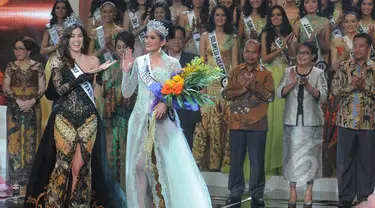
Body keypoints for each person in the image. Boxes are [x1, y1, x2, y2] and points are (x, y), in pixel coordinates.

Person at [24, 23, 126, 207]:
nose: (77, 40)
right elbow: (59, 90)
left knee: (80, 167)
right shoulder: (58, 61)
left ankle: (77, 204)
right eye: (73, 36)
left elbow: (96, 94)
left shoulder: (93, 60)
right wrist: (79, 79)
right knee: (63, 165)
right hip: (64, 118)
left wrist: (101, 79)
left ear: (84, 39)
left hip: (88, 118)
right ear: (67, 39)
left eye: (80, 36)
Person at [122, 19, 212, 208]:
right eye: (146, 37)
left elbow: (180, 94)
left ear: (162, 42)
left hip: (163, 123)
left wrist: (165, 102)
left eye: (152, 37)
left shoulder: (172, 64)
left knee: (164, 168)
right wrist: (125, 72)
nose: (147, 41)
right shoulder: (139, 62)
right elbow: (127, 93)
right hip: (140, 121)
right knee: (138, 167)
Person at [222, 39, 275, 207]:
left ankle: (257, 194)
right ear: (243, 52)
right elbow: (226, 94)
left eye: (254, 52)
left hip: (258, 124)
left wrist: (254, 87)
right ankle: (235, 192)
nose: (250, 55)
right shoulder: (236, 71)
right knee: (236, 159)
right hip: (237, 123)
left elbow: (271, 96)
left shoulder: (266, 74)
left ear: (259, 54)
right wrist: (244, 89)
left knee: (256, 161)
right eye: (247, 51)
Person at [277, 42, 327, 208]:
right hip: (292, 121)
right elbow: (279, 93)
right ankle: (292, 192)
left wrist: (307, 85)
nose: (301, 56)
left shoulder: (319, 73)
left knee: (310, 156)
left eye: (305, 53)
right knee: (292, 157)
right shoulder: (288, 71)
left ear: (313, 56)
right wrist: (292, 83)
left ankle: (308, 192)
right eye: (299, 53)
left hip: (312, 122)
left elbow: (323, 97)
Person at [332, 33, 375, 208]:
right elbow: (334, 91)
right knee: (345, 161)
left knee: (367, 161)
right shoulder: (344, 67)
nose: (357, 49)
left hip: (369, 123)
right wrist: (352, 86)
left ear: (369, 48)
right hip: (346, 121)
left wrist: (364, 86)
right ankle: (345, 197)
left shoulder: (374, 68)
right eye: (355, 46)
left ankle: (364, 197)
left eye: (361, 46)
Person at [194, 5, 239, 172]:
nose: (220, 18)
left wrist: (234, 88)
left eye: (223, 15)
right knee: (209, 126)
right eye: (217, 15)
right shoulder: (206, 37)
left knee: (224, 126)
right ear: (213, 17)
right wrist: (201, 86)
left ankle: (224, 164)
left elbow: (234, 65)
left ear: (227, 18)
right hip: (208, 87)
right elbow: (201, 63)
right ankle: (210, 164)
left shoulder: (233, 38)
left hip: (225, 87)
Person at [2, 37, 45, 195]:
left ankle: (29, 180)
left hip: (33, 108)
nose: (17, 51)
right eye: (15, 48)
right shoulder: (11, 66)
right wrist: (18, 100)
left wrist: (32, 101)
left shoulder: (38, 66)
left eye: (20, 48)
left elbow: (42, 88)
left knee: (31, 141)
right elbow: (6, 86)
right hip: (15, 107)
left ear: (28, 50)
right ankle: (14, 181)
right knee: (14, 142)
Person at [260, 4, 295, 177]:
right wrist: (281, 48)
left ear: (283, 17)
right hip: (272, 76)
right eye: (273, 15)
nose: (276, 17)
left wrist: (290, 44)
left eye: (279, 15)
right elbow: (264, 58)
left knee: (284, 119)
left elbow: (294, 57)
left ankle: (283, 163)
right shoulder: (266, 34)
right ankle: (270, 163)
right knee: (272, 119)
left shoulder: (289, 34)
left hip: (287, 75)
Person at [102, 31, 136, 190]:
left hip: (129, 117)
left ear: (131, 48)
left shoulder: (137, 66)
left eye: (125, 47)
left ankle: (127, 192)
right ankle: (112, 194)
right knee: (111, 155)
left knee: (126, 155)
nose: (122, 50)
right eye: (119, 47)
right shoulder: (109, 68)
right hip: (111, 118)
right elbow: (103, 92)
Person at [40, 0, 74, 133]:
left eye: (63, 8)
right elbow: (43, 50)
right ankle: (49, 130)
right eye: (58, 8)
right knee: (51, 97)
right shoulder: (49, 28)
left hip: (69, 64)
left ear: (67, 10)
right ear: (54, 11)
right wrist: (57, 46)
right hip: (53, 64)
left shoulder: (73, 27)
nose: (60, 11)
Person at [166, 25, 201, 149]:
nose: (177, 41)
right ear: (167, 40)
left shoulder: (193, 59)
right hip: (165, 111)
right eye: (173, 38)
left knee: (186, 147)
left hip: (186, 111)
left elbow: (198, 86)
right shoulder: (159, 59)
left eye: (180, 38)